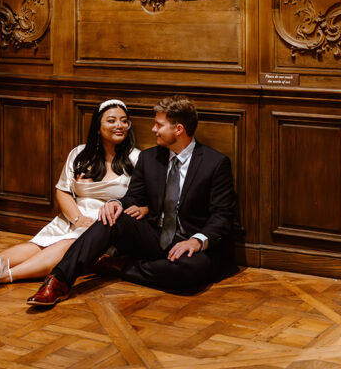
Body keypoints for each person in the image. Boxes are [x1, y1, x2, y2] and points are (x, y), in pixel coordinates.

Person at [27, 95, 237, 307]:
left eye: (158, 125)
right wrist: (117, 204)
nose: (153, 129)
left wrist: (196, 241)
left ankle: (120, 267)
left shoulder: (215, 163)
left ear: (178, 130)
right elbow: (134, 196)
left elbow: (222, 216)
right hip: (155, 236)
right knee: (111, 218)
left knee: (190, 274)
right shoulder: (150, 158)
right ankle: (59, 280)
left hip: (189, 243)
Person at [0, 99, 139, 288]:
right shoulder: (80, 154)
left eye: (124, 121)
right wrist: (76, 218)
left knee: (65, 245)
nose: (120, 125)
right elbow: (63, 190)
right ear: (98, 127)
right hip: (73, 215)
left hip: (106, 224)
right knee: (40, 244)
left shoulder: (136, 158)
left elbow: (139, 199)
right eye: (112, 121)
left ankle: (3, 277)